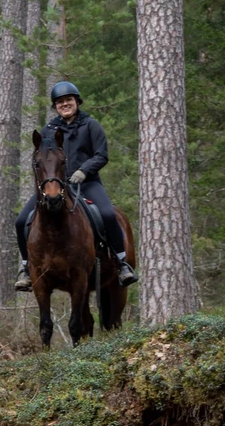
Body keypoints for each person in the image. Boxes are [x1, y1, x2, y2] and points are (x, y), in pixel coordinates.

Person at [15, 81, 137, 290]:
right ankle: (26, 267)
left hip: (87, 183)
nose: (65, 104)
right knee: (20, 221)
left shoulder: (91, 125)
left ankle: (121, 263)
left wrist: (83, 171)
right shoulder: (48, 130)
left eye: (68, 100)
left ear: (77, 102)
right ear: (55, 106)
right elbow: (41, 158)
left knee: (108, 214)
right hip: (54, 186)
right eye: (60, 102)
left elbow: (101, 155)